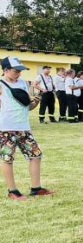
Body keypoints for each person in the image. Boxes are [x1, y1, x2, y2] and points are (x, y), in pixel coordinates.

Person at [1, 57, 55, 200]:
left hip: (24, 127)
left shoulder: (23, 84)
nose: (18, 73)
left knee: (36, 155)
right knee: (7, 159)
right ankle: (12, 191)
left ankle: (36, 188)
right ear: (5, 70)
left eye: (20, 71)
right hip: (5, 128)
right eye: (15, 71)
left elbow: (27, 107)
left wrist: (36, 101)